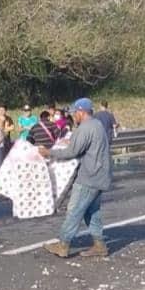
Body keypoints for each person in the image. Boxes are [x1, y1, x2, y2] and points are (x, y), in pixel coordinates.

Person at [39, 98, 113, 258]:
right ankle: (99, 245)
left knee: (74, 209)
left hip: (89, 176)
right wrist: (71, 140)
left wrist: (48, 152)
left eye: (74, 113)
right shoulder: (96, 124)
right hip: (101, 175)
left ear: (81, 112)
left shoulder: (85, 128)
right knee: (91, 211)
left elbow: (71, 152)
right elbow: (83, 144)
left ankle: (63, 244)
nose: (73, 116)